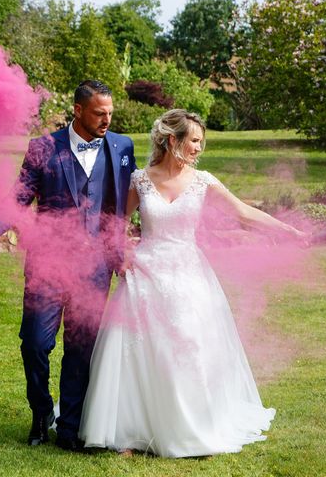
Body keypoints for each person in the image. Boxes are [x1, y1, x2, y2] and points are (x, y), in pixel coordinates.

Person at [78, 109, 305, 458]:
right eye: (195, 140)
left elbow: (244, 213)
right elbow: (115, 223)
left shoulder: (204, 181)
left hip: (188, 275)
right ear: (173, 140)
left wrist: (288, 230)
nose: (200, 148)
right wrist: (119, 255)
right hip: (145, 275)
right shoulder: (140, 180)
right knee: (138, 352)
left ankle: (194, 428)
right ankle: (134, 432)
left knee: (188, 348)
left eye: (201, 141)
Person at [0, 80, 137, 451]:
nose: (107, 119)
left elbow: (125, 204)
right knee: (35, 343)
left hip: (95, 268)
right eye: (99, 113)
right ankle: (42, 411)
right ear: (78, 110)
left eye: (110, 113)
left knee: (80, 348)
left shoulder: (123, 147)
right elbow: (18, 198)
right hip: (47, 264)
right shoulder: (43, 148)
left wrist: (128, 248)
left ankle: (71, 427)